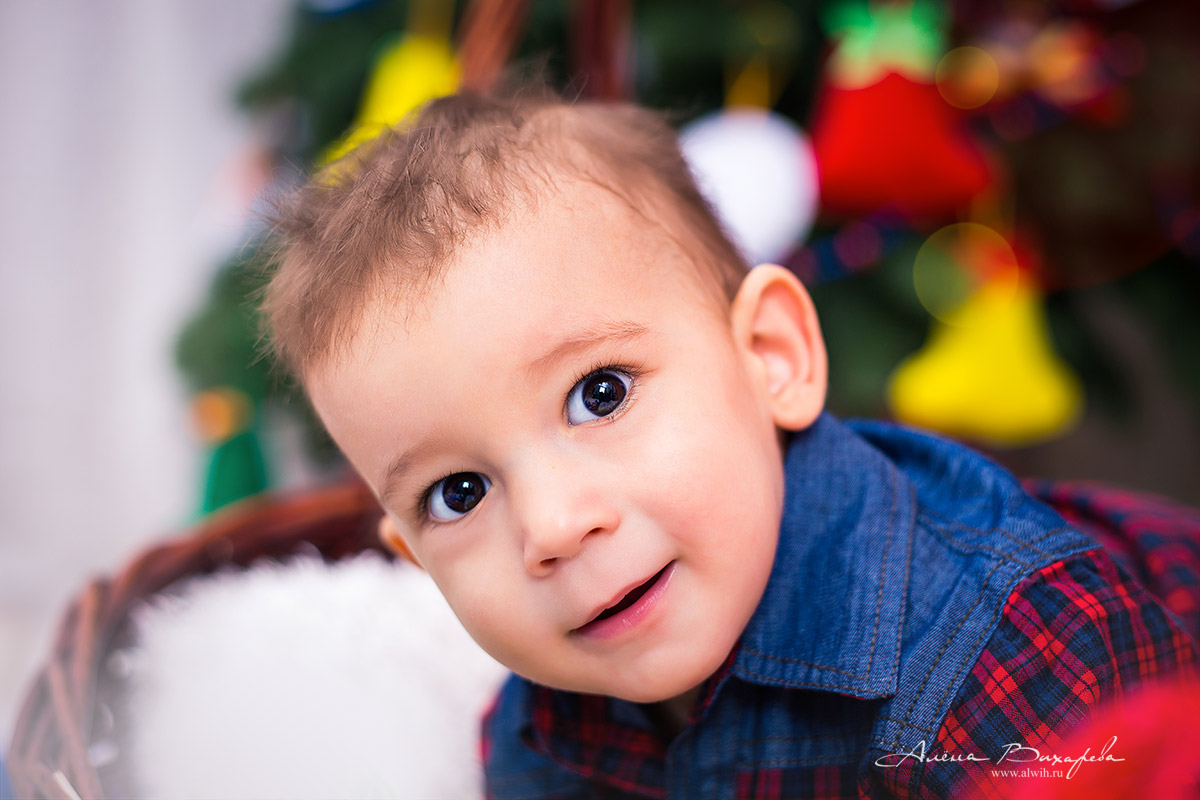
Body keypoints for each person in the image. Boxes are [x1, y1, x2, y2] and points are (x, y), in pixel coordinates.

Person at [262, 85, 1199, 799]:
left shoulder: (1003, 651)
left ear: (771, 357)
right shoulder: (538, 722)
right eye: (458, 493)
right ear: (414, 558)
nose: (551, 528)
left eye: (600, 394)